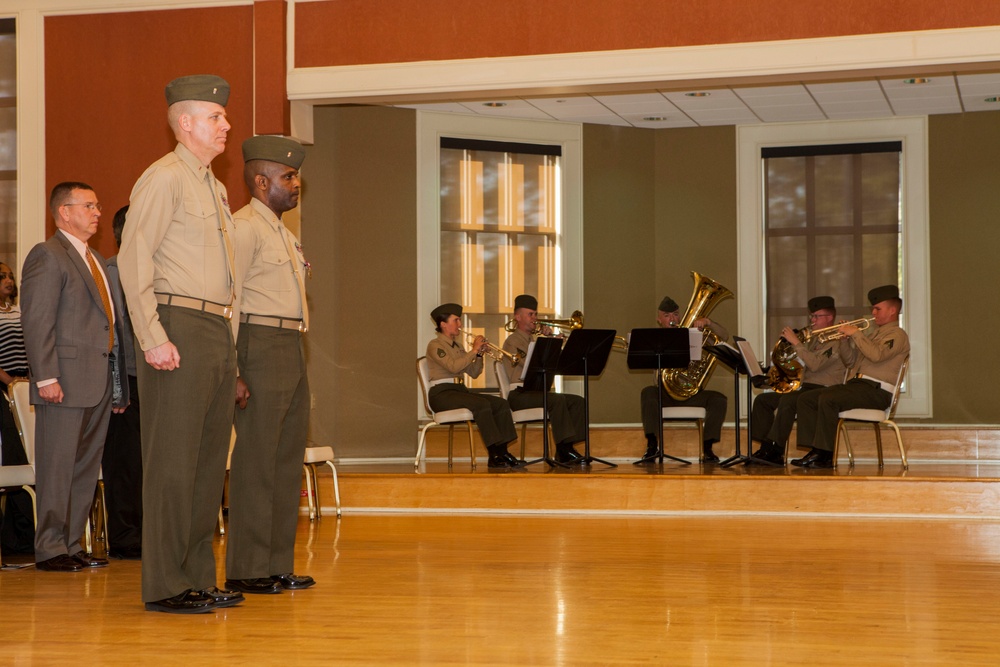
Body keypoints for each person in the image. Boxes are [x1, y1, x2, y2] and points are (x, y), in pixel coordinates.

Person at [118, 75, 242, 614]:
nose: (226, 125)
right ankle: (167, 583)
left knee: (208, 462)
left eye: (224, 117)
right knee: (172, 463)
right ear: (185, 122)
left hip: (214, 330)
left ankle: (197, 575)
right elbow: (133, 259)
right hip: (177, 326)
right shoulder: (163, 178)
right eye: (216, 118)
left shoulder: (213, 186)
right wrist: (152, 336)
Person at [19, 182, 129, 573]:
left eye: (98, 205)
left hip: (97, 380)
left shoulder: (95, 258)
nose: (97, 212)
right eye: (89, 205)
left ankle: (71, 543)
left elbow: (109, 326)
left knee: (85, 465)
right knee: (59, 464)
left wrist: (118, 384)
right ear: (64, 212)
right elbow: (37, 320)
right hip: (62, 380)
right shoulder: (47, 256)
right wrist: (45, 375)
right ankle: (49, 548)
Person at [225, 135, 315, 595]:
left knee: (285, 460)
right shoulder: (243, 227)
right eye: (288, 176)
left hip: (291, 345)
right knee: (257, 461)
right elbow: (231, 299)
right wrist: (234, 367)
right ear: (261, 182)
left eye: (295, 175)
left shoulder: (283, 232)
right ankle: (246, 565)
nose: (296, 183)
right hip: (258, 344)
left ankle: (277, 561)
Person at [792, 285, 910, 469]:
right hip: (858, 386)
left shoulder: (898, 335)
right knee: (807, 398)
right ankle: (815, 449)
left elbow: (877, 356)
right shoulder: (873, 334)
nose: (873, 312)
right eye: (873, 308)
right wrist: (844, 342)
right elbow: (851, 361)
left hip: (877, 391)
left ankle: (824, 455)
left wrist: (856, 333)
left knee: (828, 398)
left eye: (878, 308)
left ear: (893, 310)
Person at [748, 296, 847, 466]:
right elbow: (804, 363)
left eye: (817, 316)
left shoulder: (836, 340)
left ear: (830, 318)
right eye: (812, 316)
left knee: (788, 400)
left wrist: (796, 343)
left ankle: (775, 450)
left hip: (824, 389)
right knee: (763, 400)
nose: (812, 320)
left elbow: (815, 365)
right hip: (805, 388)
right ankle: (766, 447)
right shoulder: (816, 338)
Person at [425, 303, 521, 469]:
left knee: (500, 403)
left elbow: (474, 373)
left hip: (458, 391)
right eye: (456, 320)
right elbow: (453, 367)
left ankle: (503, 451)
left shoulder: (459, 347)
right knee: (481, 404)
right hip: (441, 394)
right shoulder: (435, 345)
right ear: (443, 324)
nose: (460, 325)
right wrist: (473, 350)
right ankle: (493, 454)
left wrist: (479, 354)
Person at [636, 296, 728, 464]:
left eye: (675, 314)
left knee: (718, 399)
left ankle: (707, 448)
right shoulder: (654, 339)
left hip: (691, 394)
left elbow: (724, 337)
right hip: (665, 394)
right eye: (666, 315)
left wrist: (708, 322)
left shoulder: (694, 335)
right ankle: (652, 445)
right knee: (648, 393)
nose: (672, 319)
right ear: (659, 320)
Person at [101, 205, 143, 560]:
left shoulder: (156, 270)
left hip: (155, 376)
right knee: (124, 462)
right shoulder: (111, 271)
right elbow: (115, 333)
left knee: (148, 461)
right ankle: (125, 537)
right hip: (123, 380)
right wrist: (118, 388)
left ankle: (148, 531)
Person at [501, 294, 587, 464]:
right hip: (519, 394)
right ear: (517, 317)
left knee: (578, 401)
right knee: (555, 400)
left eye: (535, 314)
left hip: (535, 392)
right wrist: (549, 343)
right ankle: (563, 449)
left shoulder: (533, 340)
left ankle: (567, 446)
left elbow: (553, 365)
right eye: (530, 314)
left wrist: (552, 343)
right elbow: (532, 364)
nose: (535, 318)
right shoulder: (512, 342)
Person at [0, 261, 35, 554]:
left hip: (27, 381)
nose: (9, 280)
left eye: (11, 276)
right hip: (4, 385)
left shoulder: (21, 311)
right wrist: (10, 380)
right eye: (2, 276)